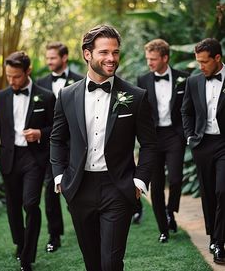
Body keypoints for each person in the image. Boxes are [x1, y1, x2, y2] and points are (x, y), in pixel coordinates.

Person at [50, 25, 157, 271]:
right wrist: (60, 177)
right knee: (92, 262)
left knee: (110, 262)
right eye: (104, 52)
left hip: (117, 188)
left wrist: (139, 181)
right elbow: (57, 139)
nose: (111, 58)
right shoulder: (66, 95)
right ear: (88, 54)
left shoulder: (136, 96)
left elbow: (150, 145)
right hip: (79, 187)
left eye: (116, 52)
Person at [0, 51, 55, 271]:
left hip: (33, 159)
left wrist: (39, 133)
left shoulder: (46, 96)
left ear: (28, 72)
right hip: (9, 157)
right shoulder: (1, 96)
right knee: (14, 207)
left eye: (16, 76)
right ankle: (20, 242)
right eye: (8, 76)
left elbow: (56, 128)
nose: (11, 81)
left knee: (30, 203)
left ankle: (27, 256)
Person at [137, 39, 188, 242]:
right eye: (147, 59)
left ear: (165, 58)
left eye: (153, 59)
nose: (149, 63)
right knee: (156, 186)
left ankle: (170, 210)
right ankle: (163, 229)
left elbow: (189, 108)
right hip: (153, 138)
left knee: (175, 179)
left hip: (175, 135)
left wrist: (186, 132)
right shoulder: (143, 80)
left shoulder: (184, 79)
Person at [181, 38, 225, 264]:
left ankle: (219, 242)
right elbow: (185, 111)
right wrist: (190, 137)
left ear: (217, 58)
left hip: (224, 144)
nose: (200, 67)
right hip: (202, 145)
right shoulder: (194, 81)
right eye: (198, 62)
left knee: (222, 191)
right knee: (208, 193)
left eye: (204, 62)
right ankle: (214, 236)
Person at [37, 42, 83, 253]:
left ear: (64, 58)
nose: (49, 62)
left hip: (75, 145)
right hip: (50, 147)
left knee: (78, 187)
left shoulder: (81, 81)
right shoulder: (40, 84)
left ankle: (85, 225)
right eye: (47, 58)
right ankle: (54, 235)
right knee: (50, 191)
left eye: (52, 58)